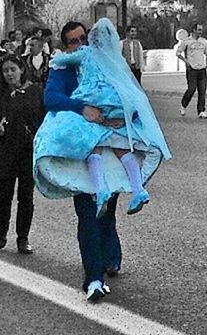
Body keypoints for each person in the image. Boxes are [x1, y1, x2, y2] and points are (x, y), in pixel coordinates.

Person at [34, 19, 171, 301]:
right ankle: (93, 279)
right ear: (66, 46)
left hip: (113, 144)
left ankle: (111, 256)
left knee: (106, 209)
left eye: (84, 38)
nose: (81, 44)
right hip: (81, 150)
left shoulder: (107, 61)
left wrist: (122, 117)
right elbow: (51, 98)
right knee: (88, 213)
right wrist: (82, 108)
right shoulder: (66, 67)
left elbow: (130, 96)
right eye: (74, 41)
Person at [0, 54, 44, 255]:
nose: (9, 74)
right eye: (5, 70)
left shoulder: (35, 91)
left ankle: (22, 238)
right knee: (3, 196)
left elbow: (44, 119)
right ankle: (1, 235)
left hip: (29, 152)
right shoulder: (1, 94)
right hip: (5, 152)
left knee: (26, 198)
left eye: (12, 69)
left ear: (21, 69)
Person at [177, 23, 207, 119]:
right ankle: (183, 105)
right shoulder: (186, 41)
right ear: (194, 30)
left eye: (201, 30)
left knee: (202, 90)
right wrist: (186, 62)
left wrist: (206, 65)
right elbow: (178, 53)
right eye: (199, 30)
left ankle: (201, 110)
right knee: (191, 88)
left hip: (202, 69)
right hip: (192, 69)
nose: (200, 32)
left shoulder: (204, 42)